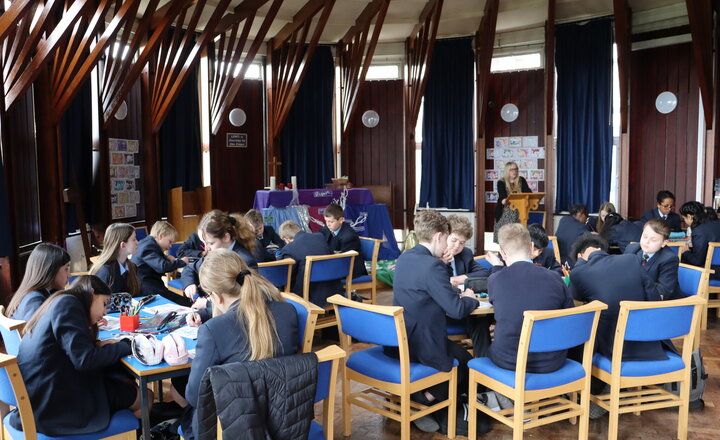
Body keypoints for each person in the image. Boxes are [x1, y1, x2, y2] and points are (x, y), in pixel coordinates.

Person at [179, 249, 298, 440]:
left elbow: (195, 396)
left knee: (186, 418)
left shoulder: (213, 331)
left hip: (233, 426)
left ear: (215, 297)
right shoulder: (288, 312)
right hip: (285, 417)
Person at [11, 276, 144, 436]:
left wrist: (97, 345)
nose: (104, 312)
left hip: (43, 389)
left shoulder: (59, 300)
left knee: (124, 383)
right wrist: (125, 345)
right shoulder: (68, 304)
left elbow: (69, 350)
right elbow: (84, 360)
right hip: (55, 401)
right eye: (104, 303)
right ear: (92, 293)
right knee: (145, 397)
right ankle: (132, 433)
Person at [388, 210, 481, 435]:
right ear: (439, 236)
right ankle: (423, 400)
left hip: (399, 339)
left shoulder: (405, 257)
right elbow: (457, 310)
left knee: (462, 357)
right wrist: (471, 299)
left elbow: (429, 288)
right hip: (424, 345)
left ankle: (420, 399)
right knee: (467, 365)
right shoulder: (432, 266)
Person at [489, 223, 574, 372]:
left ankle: (492, 389)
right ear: (531, 246)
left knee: (486, 341)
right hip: (552, 361)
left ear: (502, 253)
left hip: (510, 361)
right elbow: (570, 317)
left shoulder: (496, 279)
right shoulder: (555, 278)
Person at [569, 233, 667, 361]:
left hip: (613, 350)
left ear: (579, 256)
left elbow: (576, 298)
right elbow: (654, 298)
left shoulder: (579, 272)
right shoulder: (631, 259)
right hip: (649, 343)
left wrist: (579, 264)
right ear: (602, 250)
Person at [442, 215, 491, 358]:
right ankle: (483, 366)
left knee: (481, 320)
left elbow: (483, 272)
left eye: (462, 243)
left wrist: (458, 279)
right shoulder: (437, 255)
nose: (457, 246)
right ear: (445, 236)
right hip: (445, 309)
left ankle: (482, 365)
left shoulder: (465, 254)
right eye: (454, 240)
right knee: (479, 322)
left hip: (466, 306)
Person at [181, 210, 258, 301]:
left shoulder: (246, 261)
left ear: (226, 237)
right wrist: (189, 284)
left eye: (211, 243)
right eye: (204, 243)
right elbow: (189, 269)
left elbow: (243, 301)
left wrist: (207, 305)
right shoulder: (214, 253)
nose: (206, 248)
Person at [277, 220, 341, 306]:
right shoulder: (320, 237)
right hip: (334, 289)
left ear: (287, 239)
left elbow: (286, 275)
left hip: (309, 295)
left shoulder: (289, 248)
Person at [5, 243, 70, 321]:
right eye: (66, 269)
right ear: (50, 270)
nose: (69, 275)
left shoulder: (33, 294)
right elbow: (37, 333)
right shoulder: (34, 301)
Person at [133, 221, 191, 306]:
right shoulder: (149, 247)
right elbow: (162, 267)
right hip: (146, 287)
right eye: (170, 242)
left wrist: (165, 257)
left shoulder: (147, 242)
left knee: (182, 300)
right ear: (160, 236)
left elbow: (153, 255)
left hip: (150, 283)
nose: (171, 246)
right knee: (184, 303)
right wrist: (182, 262)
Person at [624, 219, 681, 300]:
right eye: (645, 236)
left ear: (664, 243)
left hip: (662, 303)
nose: (647, 241)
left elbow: (663, 291)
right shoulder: (631, 249)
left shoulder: (669, 259)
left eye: (653, 239)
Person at [89, 223, 140, 295]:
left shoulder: (132, 267)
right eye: (134, 239)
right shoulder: (105, 271)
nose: (137, 242)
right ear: (123, 245)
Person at [320, 203, 367, 278]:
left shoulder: (349, 236)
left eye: (331, 222)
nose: (328, 224)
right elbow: (319, 236)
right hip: (335, 263)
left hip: (350, 269)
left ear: (341, 220)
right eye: (326, 221)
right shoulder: (329, 227)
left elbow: (345, 260)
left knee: (320, 273)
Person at [679, 201, 720, 279]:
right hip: (716, 270)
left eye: (684, 218)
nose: (684, 220)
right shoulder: (717, 223)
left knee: (681, 261)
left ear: (689, 216)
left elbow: (697, 261)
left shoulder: (699, 231)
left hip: (712, 273)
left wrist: (686, 251)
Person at [493, 161, 531, 243]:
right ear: (507, 171)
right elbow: (503, 199)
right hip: (505, 213)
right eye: (512, 169)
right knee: (505, 239)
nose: (514, 171)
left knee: (517, 239)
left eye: (516, 169)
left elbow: (529, 193)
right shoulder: (501, 182)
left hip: (520, 213)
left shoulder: (521, 180)